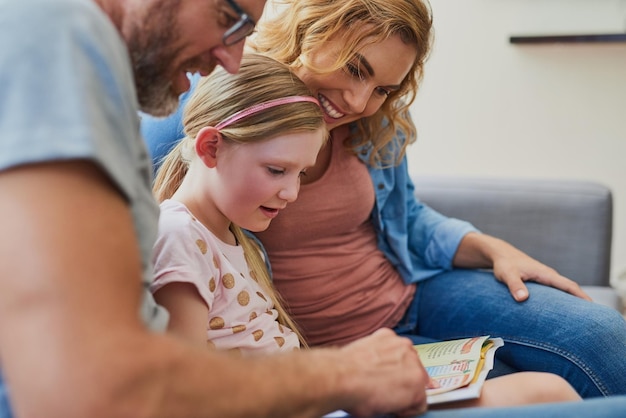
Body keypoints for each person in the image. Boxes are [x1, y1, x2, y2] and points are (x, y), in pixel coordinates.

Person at [141, 0, 626, 402]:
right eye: (355, 67)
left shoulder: (373, 123)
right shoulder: (209, 102)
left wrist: (494, 249)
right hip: (321, 347)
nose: (357, 101)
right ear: (310, 28)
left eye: (382, 88)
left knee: (602, 338)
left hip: (409, 293)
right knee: (534, 395)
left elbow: (406, 217)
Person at [0, 0, 435, 417]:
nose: (231, 58)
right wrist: (347, 375)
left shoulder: (105, 85)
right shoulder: (52, 42)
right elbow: (97, 393)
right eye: (229, 16)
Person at [150, 54, 326, 354]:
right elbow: (185, 381)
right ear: (211, 148)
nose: (292, 193)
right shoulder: (178, 235)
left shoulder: (234, 240)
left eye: (301, 173)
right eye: (276, 170)